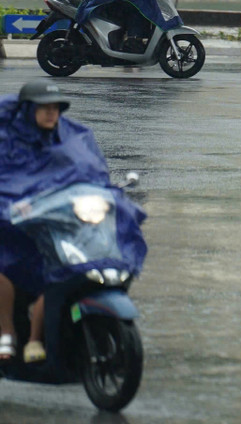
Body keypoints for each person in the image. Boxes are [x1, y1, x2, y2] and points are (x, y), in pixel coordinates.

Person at [0, 79, 147, 364]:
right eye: (43, 108)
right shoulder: (6, 139)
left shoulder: (73, 137)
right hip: (12, 221)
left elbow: (91, 171)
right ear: (28, 109)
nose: (51, 113)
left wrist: (109, 191)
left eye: (56, 108)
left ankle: (42, 336)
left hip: (55, 219)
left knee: (76, 260)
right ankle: (7, 331)